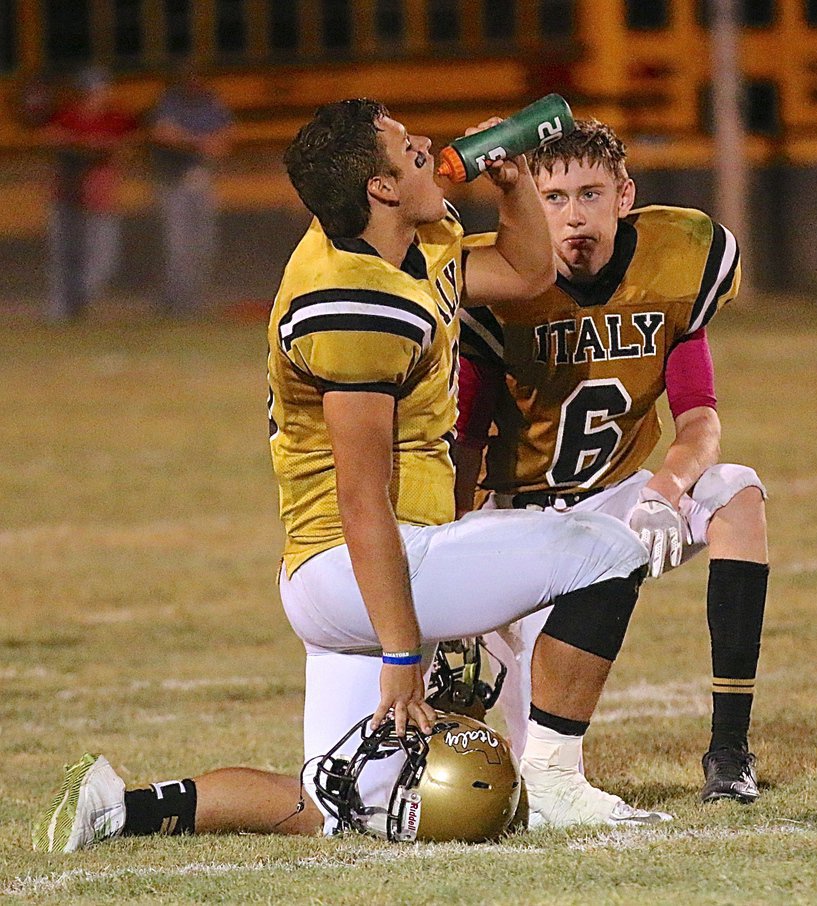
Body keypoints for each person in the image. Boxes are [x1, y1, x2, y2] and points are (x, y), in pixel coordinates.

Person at [33, 99, 671, 854]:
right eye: (406, 147)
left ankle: (122, 808)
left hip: (336, 575)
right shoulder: (354, 302)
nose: (428, 145)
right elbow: (362, 498)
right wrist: (403, 656)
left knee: (337, 807)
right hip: (365, 562)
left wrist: (513, 189)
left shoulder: (403, 240)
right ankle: (558, 780)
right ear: (382, 188)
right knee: (608, 548)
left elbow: (526, 272)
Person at [452, 120, 769, 804]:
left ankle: (729, 751)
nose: (572, 217)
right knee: (521, 784)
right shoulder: (498, 280)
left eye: (589, 194)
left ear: (625, 195)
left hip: (612, 499)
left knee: (735, 492)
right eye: (554, 198)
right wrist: (446, 554)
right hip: (516, 523)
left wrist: (663, 491)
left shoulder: (676, 260)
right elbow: (465, 442)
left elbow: (700, 421)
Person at [43, 65, 137, 321]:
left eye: (100, 90)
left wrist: (103, 149)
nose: (96, 95)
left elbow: (127, 149)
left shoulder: (115, 118)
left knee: (105, 259)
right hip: (68, 195)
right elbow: (54, 138)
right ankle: (62, 311)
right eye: (91, 91)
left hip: (100, 198)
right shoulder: (68, 116)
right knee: (65, 255)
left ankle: (81, 300)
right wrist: (88, 146)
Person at [148, 69, 233, 316]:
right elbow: (163, 134)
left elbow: (223, 142)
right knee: (178, 246)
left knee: (205, 244)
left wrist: (186, 139)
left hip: (201, 181)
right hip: (173, 181)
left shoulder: (211, 104)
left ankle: (195, 301)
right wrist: (198, 142)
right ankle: (176, 303)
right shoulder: (169, 102)